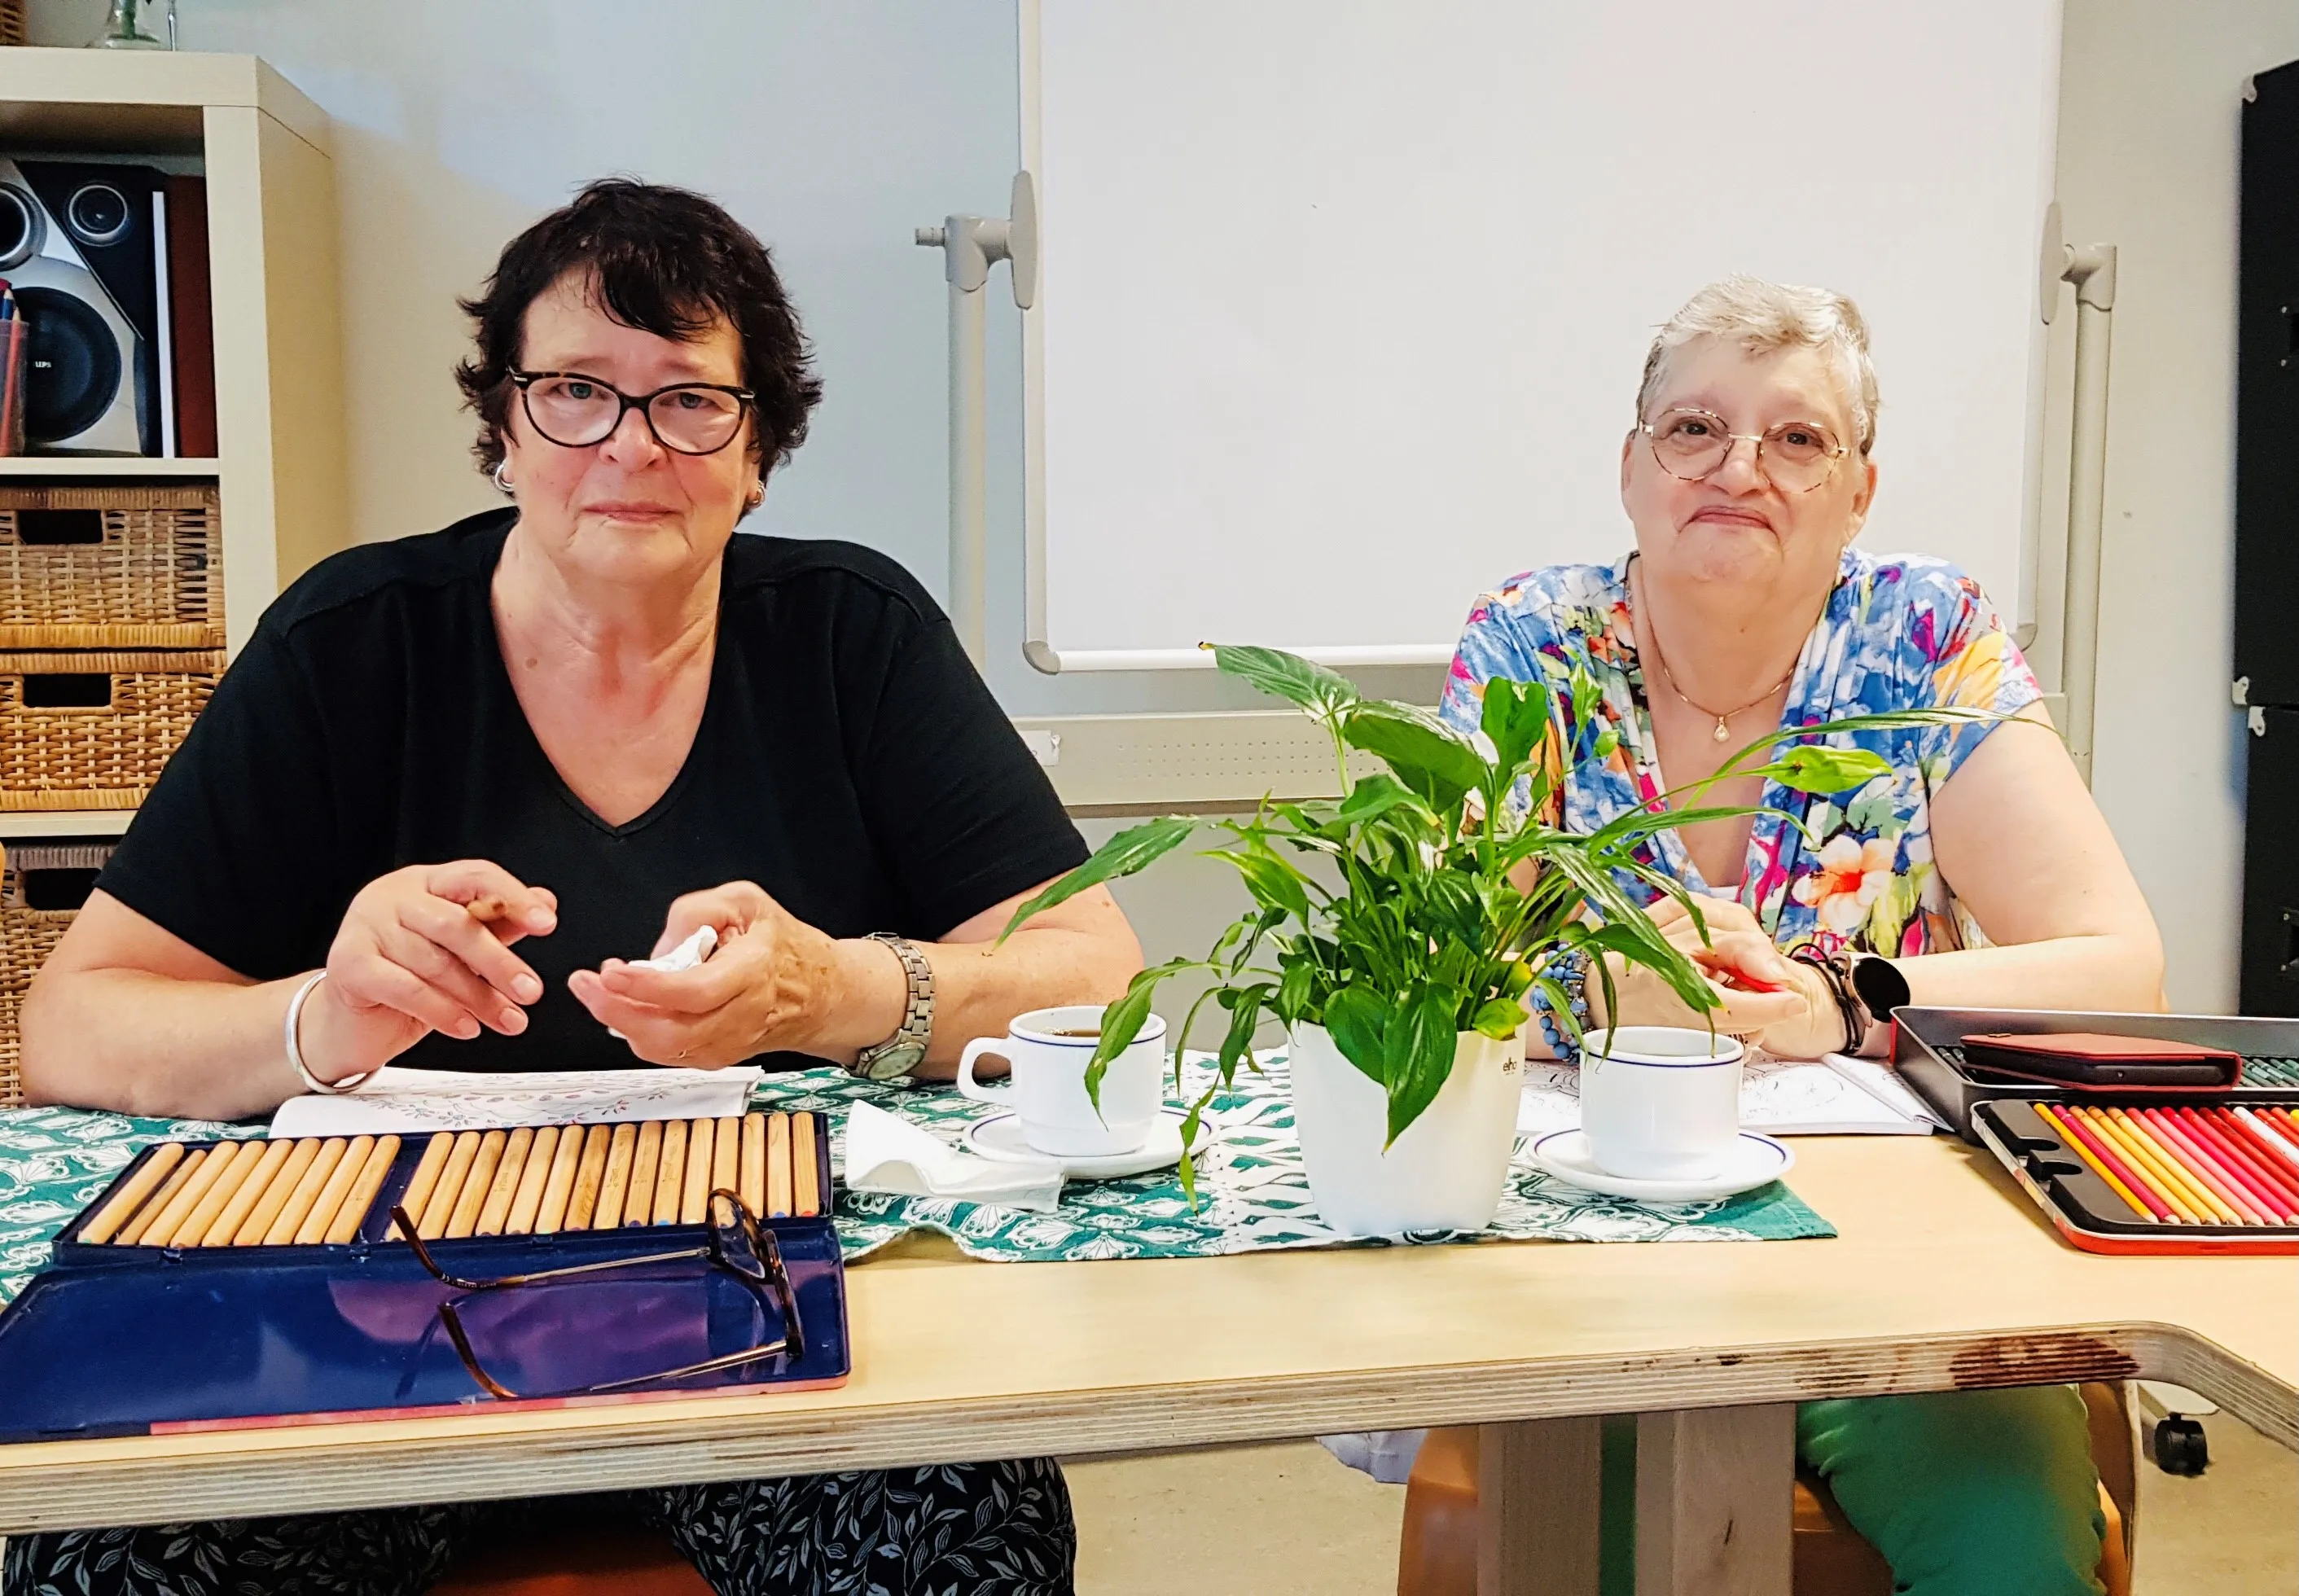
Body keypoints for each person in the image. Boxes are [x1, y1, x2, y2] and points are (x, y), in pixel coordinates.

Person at [11, 179, 1139, 1596]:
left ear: (758, 452)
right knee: (109, 1555)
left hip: (773, 1316)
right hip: (370, 1321)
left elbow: (1101, 982)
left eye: (689, 401)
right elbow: (72, 1030)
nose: (630, 444)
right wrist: (321, 1017)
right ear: (501, 431)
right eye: (575, 392)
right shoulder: (352, 646)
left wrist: (834, 987)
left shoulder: (856, 636)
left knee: (965, 1540)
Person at [1438, 277, 2163, 1596]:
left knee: (2007, 1550)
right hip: (1594, 1256)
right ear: (1630, 466)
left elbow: (2117, 965)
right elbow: (1431, 979)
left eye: (1796, 438)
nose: (1737, 469)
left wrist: (1833, 1002)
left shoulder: (1924, 640)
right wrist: (1598, 992)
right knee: (1587, 1555)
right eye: (1693, 428)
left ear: (1859, 490)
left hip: (1899, 1271)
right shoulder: (1530, 646)